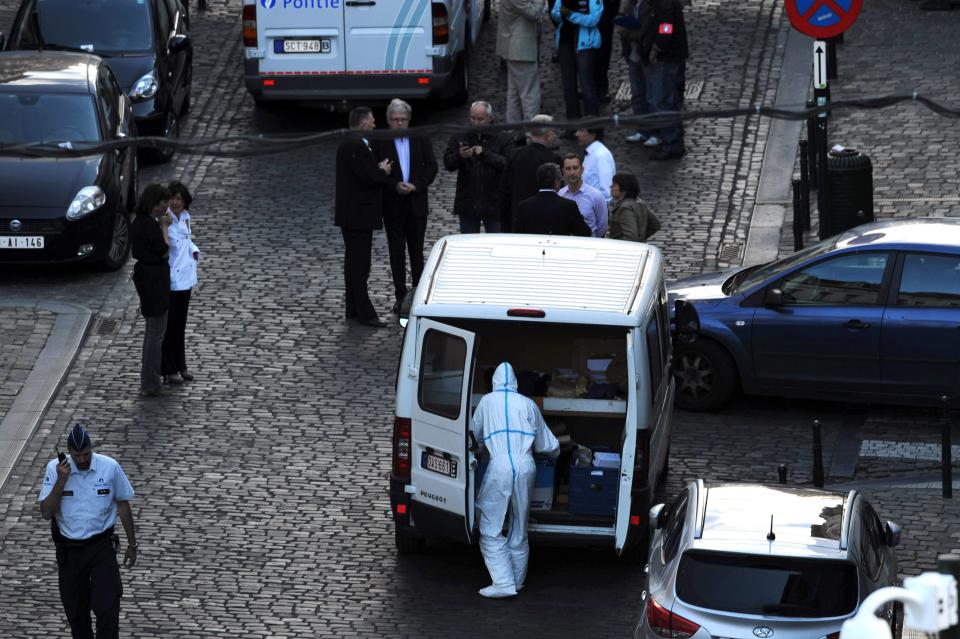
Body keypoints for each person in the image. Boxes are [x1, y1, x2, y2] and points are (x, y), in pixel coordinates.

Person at [39, 424, 137, 639]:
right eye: (77, 456)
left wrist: (132, 544)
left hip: (101, 547)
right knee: (77, 613)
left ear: (92, 448)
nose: (83, 460)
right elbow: (47, 512)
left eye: (86, 454)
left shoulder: (109, 467)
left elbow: (122, 505)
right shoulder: (55, 469)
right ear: (68, 453)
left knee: (108, 605)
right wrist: (61, 481)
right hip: (69, 551)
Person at [471, 362, 560, 598]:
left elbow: (475, 435)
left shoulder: (486, 402)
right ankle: (517, 581)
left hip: (499, 464)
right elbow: (549, 445)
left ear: (494, 382)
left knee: (490, 525)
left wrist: (481, 448)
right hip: (525, 464)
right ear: (516, 383)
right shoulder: (528, 404)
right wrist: (555, 453)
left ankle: (502, 582)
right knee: (520, 526)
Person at [374, 99, 438, 315]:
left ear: (409, 120)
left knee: (416, 252)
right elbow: (375, 172)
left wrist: (416, 185)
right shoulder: (380, 141)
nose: (399, 123)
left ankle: (418, 296)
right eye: (395, 120)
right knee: (396, 253)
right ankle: (400, 296)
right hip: (393, 205)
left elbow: (431, 166)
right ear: (389, 121)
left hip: (416, 203)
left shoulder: (420, 138)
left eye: (403, 120)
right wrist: (394, 184)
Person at [335, 106, 395, 328]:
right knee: (360, 265)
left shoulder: (350, 144)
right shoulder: (355, 146)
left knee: (353, 263)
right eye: (372, 121)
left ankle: (353, 308)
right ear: (363, 125)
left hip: (352, 215)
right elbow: (367, 177)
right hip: (358, 214)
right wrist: (382, 171)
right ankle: (365, 312)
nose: (374, 124)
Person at [442, 101, 511, 234]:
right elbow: (448, 163)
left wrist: (485, 153)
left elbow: (508, 164)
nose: (475, 122)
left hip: (494, 203)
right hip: (468, 203)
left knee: (496, 244)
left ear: (490, 118)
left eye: (480, 119)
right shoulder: (460, 135)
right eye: (472, 118)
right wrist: (460, 156)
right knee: (468, 245)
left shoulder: (503, 137)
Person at [130, 183, 173, 397]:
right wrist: (164, 227)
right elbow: (165, 251)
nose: (167, 208)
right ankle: (151, 382)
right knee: (156, 333)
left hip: (145, 278)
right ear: (155, 205)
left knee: (151, 331)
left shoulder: (138, 222)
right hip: (154, 280)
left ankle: (149, 379)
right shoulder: (151, 226)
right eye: (164, 203)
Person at [161, 181, 200, 385]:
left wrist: (194, 250)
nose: (176, 202)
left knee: (180, 325)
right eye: (173, 198)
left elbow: (186, 240)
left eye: (179, 199)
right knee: (170, 326)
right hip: (172, 280)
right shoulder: (166, 220)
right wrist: (165, 227)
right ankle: (169, 368)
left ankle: (181, 364)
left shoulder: (185, 218)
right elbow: (166, 246)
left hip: (186, 278)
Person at [641, 0, 688, 160]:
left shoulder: (664, 3)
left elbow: (666, 28)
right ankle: (672, 140)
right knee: (666, 101)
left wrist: (656, 49)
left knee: (664, 101)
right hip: (667, 57)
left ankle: (672, 143)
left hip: (665, 59)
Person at [500, 115, 562, 231]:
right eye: (554, 132)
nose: (555, 136)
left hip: (517, 220)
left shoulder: (514, 155)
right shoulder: (553, 159)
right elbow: (558, 193)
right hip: (544, 222)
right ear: (547, 135)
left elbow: (504, 190)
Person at [551, 0, 602, 122]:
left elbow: (594, 19)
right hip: (565, 41)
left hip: (585, 45)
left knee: (587, 86)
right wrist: (560, 13)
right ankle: (572, 124)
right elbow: (554, 14)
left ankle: (592, 126)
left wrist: (570, 15)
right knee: (568, 86)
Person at [497, 0, 547, 124]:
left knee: (514, 94)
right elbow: (534, 12)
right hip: (520, 49)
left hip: (515, 47)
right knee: (529, 95)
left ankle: (514, 132)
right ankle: (532, 134)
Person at [515, 163, 592, 236]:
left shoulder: (524, 206)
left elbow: (517, 234)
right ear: (556, 182)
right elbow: (585, 232)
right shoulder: (568, 206)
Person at [616, 0, 655, 144]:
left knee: (652, 96)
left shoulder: (652, 5)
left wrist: (627, 30)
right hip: (634, 54)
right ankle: (643, 130)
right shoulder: (631, 4)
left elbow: (647, 30)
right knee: (638, 95)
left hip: (646, 54)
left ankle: (655, 131)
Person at [558, 153, 608, 237]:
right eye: (568, 169)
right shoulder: (560, 194)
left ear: (582, 169)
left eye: (575, 168)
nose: (572, 172)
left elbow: (602, 226)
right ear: (563, 172)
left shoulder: (596, 196)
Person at [607, 172, 656, 241]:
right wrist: (641, 237)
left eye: (614, 185)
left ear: (624, 191)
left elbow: (630, 237)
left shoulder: (625, 208)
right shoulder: (640, 203)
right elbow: (655, 225)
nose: (611, 187)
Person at [576, 127, 616, 202]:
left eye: (581, 131)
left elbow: (607, 192)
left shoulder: (601, 155)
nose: (577, 134)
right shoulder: (591, 153)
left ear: (593, 135)